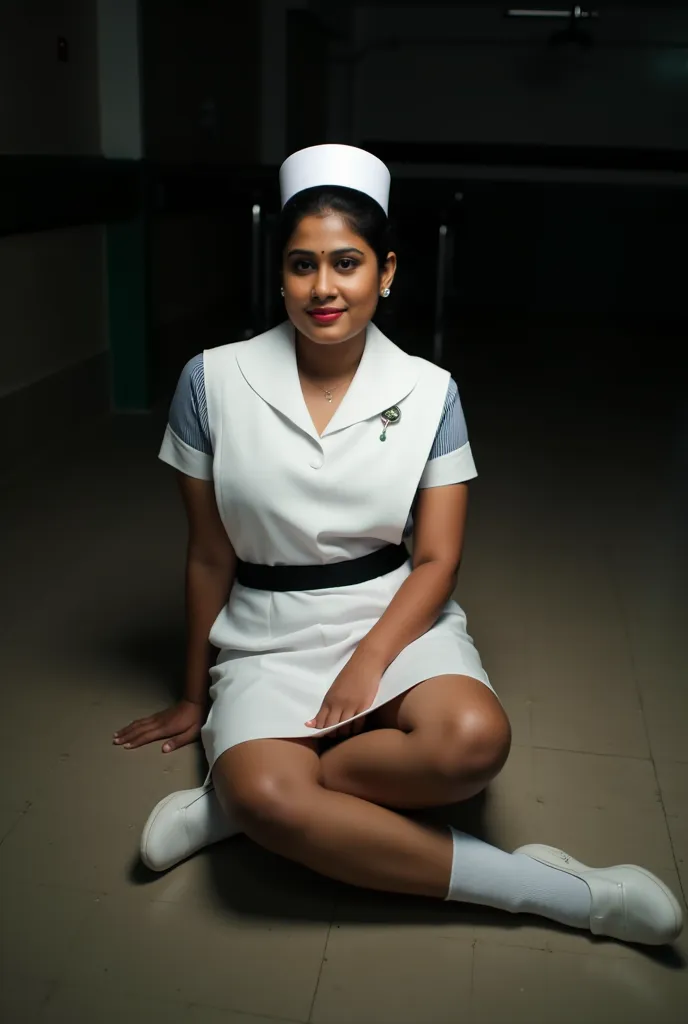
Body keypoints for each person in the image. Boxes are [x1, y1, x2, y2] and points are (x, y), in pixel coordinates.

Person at [114, 144, 682, 946]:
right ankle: (552, 891)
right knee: (274, 794)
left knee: (473, 743)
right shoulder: (210, 381)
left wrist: (369, 660)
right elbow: (209, 554)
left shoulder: (429, 390)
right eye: (302, 264)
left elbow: (439, 559)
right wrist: (195, 696)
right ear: (278, 274)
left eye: (346, 263)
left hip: (393, 612)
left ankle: (245, 797)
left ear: (385, 272)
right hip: (265, 625)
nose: (323, 287)